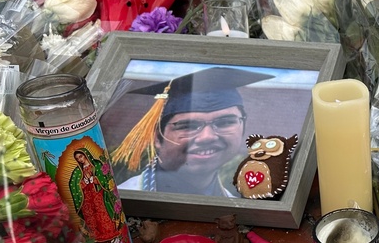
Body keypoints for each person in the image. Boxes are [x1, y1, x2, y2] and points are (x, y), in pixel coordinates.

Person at [115, 67, 272, 197]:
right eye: (188, 126)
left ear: (243, 126)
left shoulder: (235, 205)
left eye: (225, 122)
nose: (207, 137)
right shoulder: (124, 200)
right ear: (157, 137)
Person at [69, 147, 127, 242]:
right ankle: (95, 234)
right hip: (86, 196)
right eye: (77, 158)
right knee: (90, 213)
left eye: (81, 156)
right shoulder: (78, 171)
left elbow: (104, 178)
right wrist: (84, 182)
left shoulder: (96, 164)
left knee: (101, 211)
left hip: (97, 193)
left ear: (86, 155)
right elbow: (74, 184)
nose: (80, 159)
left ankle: (108, 231)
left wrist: (93, 179)